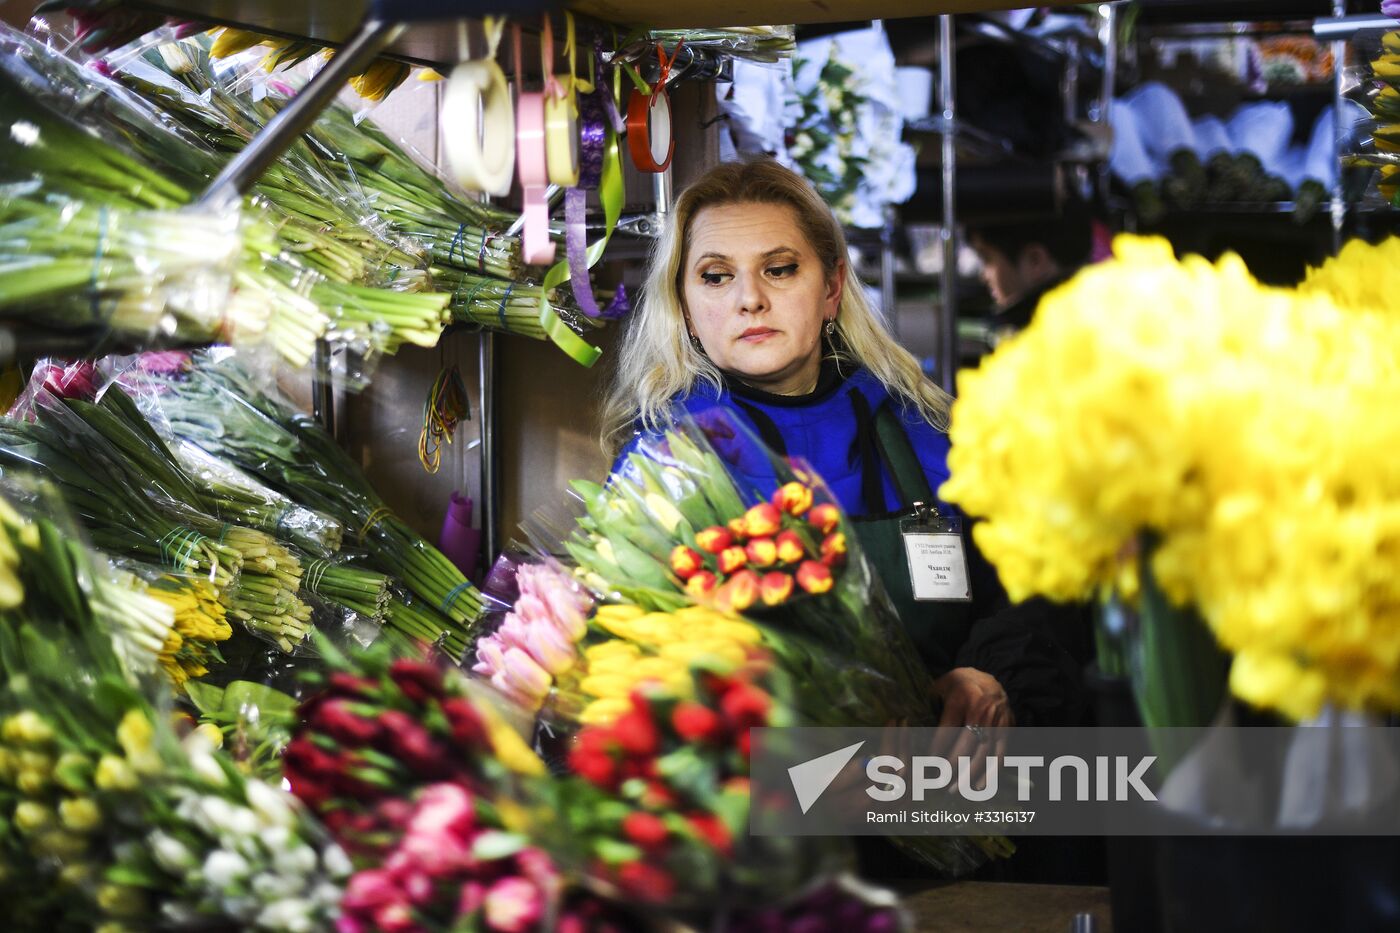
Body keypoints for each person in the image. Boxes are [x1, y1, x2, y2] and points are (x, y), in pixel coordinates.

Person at [601, 157, 1082, 734]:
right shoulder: (665, 466)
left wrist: (991, 678)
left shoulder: (927, 432)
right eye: (715, 275)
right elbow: (622, 679)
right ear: (684, 309)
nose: (749, 299)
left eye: (779, 269)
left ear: (831, 287)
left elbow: (1036, 605)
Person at [967, 203, 1095, 344]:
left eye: (987, 259)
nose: (983, 276)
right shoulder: (1104, 323)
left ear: (1035, 261)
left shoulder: (1039, 348)